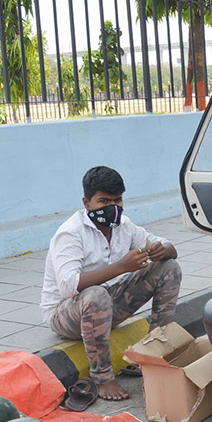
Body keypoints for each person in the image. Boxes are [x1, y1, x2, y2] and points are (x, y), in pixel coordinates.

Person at [40, 166, 181, 403]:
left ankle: (153, 354)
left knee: (168, 268)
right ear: (87, 203)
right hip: (66, 315)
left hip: (105, 304)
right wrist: (121, 267)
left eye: (117, 200)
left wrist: (161, 249)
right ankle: (102, 377)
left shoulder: (123, 226)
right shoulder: (70, 233)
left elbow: (170, 248)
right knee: (96, 295)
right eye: (103, 201)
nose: (111, 208)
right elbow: (68, 286)